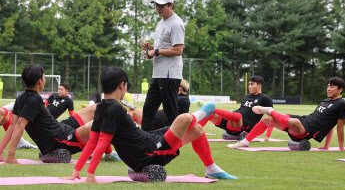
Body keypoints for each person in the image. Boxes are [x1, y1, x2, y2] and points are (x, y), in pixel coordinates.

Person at [61, 66, 237, 183]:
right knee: (183, 119)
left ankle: (211, 169)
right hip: (151, 153)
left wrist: (77, 171)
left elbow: (93, 141)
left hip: (148, 142)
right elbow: (99, 143)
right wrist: (90, 174)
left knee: (196, 129)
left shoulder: (100, 108)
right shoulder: (115, 109)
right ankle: (205, 112)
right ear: (122, 85)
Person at [0, 64, 119, 163]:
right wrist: (10, 156)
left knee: (98, 108)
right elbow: (19, 125)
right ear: (39, 81)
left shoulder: (21, 97)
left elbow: (12, 126)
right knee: (100, 121)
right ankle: (115, 152)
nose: (45, 80)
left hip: (61, 128)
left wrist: (0, 152)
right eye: (44, 77)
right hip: (62, 140)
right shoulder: (34, 99)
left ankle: (109, 154)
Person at [229, 77, 345, 150]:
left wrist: (341, 148)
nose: (328, 89)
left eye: (332, 87)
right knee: (267, 120)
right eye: (328, 86)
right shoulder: (326, 101)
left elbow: (338, 127)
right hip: (304, 121)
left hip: (305, 131)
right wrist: (326, 147)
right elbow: (330, 127)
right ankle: (245, 142)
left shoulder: (342, 104)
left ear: (340, 90)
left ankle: (270, 110)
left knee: (293, 121)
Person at [140, 0, 185, 131]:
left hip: (170, 75)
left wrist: (157, 51)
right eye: (156, 5)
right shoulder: (161, 23)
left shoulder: (176, 23)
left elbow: (178, 50)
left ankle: (172, 147)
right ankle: (143, 143)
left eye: (161, 5)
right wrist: (150, 47)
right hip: (158, 73)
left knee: (170, 113)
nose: (158, 8)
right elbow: (162, 47)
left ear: (171, 5)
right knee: (148, 110)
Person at [196, 76, 274, 141]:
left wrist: (266, 136)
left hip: (239, 125)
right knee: (209, 114)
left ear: (259, 85)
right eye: (249, 84)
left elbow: (270, 118)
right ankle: (195, 131)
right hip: (230, 120)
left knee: (237, 116)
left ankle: (211, 108)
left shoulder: (265, 99)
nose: (249, 86)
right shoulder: (247, 96)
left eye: (252, 84)